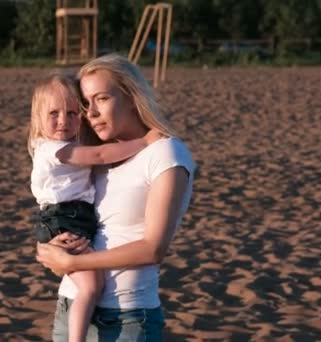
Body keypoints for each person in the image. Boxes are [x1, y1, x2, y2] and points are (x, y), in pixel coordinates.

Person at [36, 54, 196, 341]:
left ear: (131, 96)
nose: (91, 113)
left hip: (128, 318)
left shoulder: (165, 153)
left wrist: (73, 264)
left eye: (102, 99)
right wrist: (50, 248)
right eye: (85, 103)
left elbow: (153, 250)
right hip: (72, 309)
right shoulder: (95, 156)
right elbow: (64, 209)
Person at [28, 72, 159, 342]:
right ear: (38, 118)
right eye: (54, 113)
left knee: (93, 284)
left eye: (73, 113)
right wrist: (144, 143)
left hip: (73, 218)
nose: (63, 121)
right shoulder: (52, 149)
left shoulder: (66, 142)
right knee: (89, 287)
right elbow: (99, 155)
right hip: (63, 218)